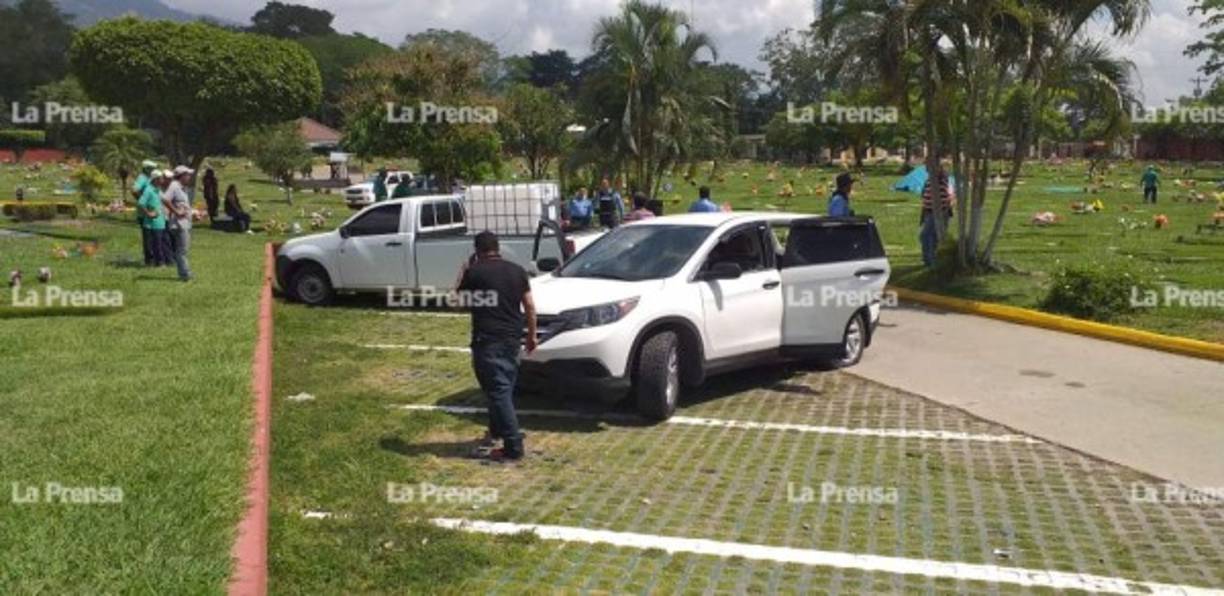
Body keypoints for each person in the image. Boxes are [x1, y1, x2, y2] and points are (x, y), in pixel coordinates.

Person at [457, 231, 537, 462]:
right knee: (502, 388)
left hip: (487, 341)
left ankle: (513, 446)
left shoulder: (475, 272)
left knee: (498, 391)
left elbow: (457, 304)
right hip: (513, 339)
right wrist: (532, 336)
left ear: (477, 250)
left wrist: (462, 274)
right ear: (497, 248)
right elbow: (530, 306)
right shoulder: (517, 270)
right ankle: (497, 430)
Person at [920, 165, 954, 268]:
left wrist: (945, 211)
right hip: (928, 212)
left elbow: (949, 196)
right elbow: (924, 196)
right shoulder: (929, 180)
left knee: (926, 236)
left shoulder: (942, 180)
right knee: (930, 237)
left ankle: (931, 261)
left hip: (938, 212)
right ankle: (930, 261)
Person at [164, 166, 194, 281]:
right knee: (182, 250)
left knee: (182, 250)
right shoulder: (174, 186)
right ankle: (185, 274)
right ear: (182, 176)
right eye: (188, 175)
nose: (189, 177)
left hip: (184, 223)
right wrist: (176, 212)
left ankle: (184, 272)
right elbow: (165, 199)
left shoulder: (181, 188)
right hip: (179, 224)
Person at [139, 170, 170, 267]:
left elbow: (165, 201)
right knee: (152, 245)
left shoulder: (158, 190)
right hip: (151, 224)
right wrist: (148, 213)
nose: (163, 180)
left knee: (159, 244)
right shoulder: (149, 190)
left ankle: (160, 262)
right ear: (156, 179)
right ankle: (153, 262)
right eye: (161, 178)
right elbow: (141, 203)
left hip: (160, 223)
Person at [133, 160, 157, 265]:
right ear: (146, 168)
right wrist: (142, 200)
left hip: (150, 212)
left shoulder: (148, 178)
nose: (153, 170)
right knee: (148, 236)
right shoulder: (142, 178)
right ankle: (149, 259)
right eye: (151, 168)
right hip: (144, 213)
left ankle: (153, 257)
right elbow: (134, 190)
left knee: (152, 235)